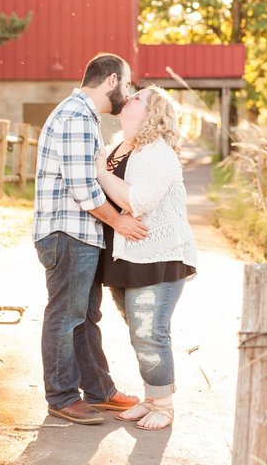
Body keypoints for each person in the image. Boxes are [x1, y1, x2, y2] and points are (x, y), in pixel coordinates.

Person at [32, 52, 147, 425]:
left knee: (85, 317)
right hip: (67, 235)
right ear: (111, 80)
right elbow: (83, 189)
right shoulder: (75, 118)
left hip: (80, 234)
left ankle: (99, 391)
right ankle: (62, 396)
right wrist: (120, 223)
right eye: (127, 84)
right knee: (66, 316)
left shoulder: (84, 117)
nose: (128, 93)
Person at [95, 85, 198, 430]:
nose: (129, 97)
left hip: (158, 255)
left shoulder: (158, 151)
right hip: (126, 254)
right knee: (141, 331)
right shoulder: (120, 147)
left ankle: (164, 407)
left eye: (138, 96)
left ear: (153, 111)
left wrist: (99, 172)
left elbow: (136, 201)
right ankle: (152, 397)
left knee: (149, 332)